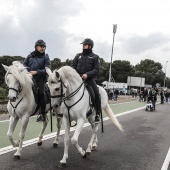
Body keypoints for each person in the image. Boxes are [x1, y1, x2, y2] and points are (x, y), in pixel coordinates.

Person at [72, 38, 101, 123]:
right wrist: (76, 74)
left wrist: (87, 74)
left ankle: (98, 114)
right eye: (83, 45)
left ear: (90, 46)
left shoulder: (95, 57)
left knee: (96, 93)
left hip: (89, 79)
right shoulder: (78, 55)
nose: (83, 46)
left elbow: (96, 69)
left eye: (85, 45)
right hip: (77, 79)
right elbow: (73, 66)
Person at [24, 39, 51, 122]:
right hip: (29, 78)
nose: (42, 48)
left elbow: (48, 69)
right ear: (36, 47)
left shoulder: (46, 57)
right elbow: (24, 65)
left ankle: (43, 114)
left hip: (40, 80)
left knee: (41, 93)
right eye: (41, 46)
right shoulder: (30, 56)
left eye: (44, 47)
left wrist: (36, 72)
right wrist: (28, 71)